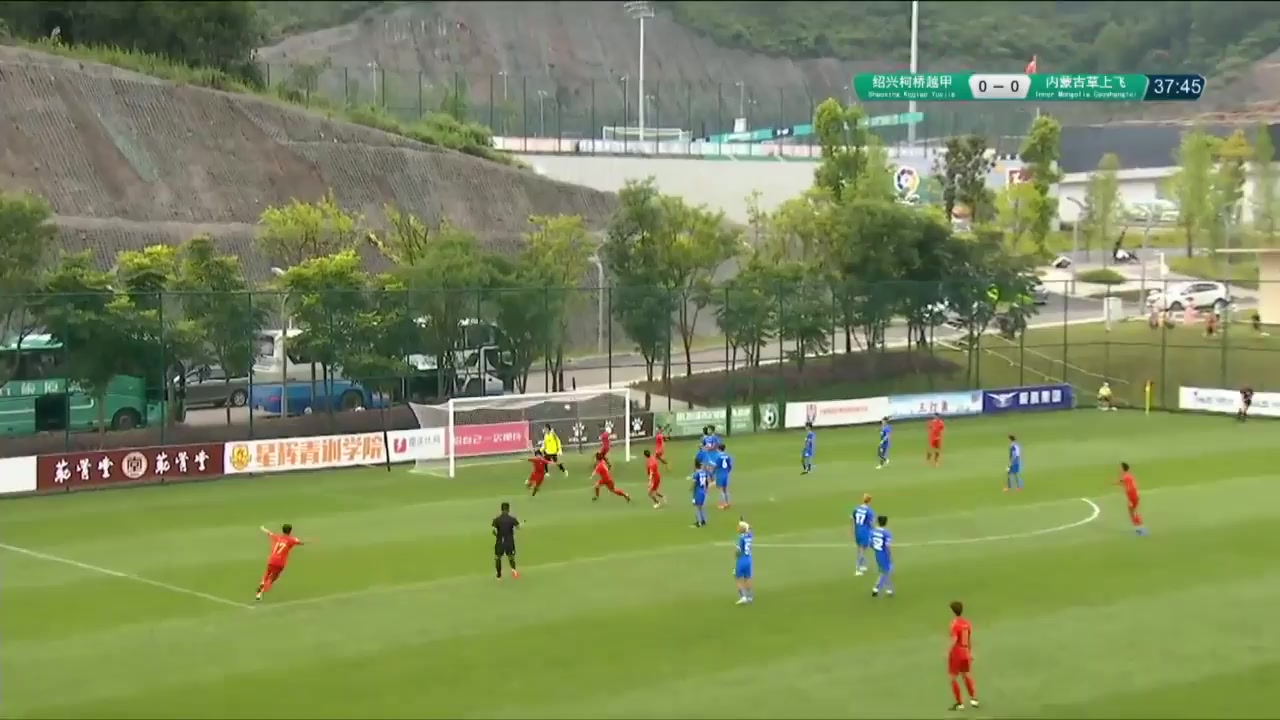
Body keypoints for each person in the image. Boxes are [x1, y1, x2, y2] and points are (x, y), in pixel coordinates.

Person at [256, 523, 305, 601]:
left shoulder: (277, 537)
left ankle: (259, 591)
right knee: (274, 577)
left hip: (272, 560)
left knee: (266, 574)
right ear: (290, 531)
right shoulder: (292, 540)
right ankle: (266, 586)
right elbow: (299, 542)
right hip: (280, 563)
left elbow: (269, 533)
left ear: (282, 530)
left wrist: (263, 528)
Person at [948, 601, 980, 710]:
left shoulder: (954, 624)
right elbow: (969, 639)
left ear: (952, 611)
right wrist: (970, 652)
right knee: (966, 675)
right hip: (965, 651)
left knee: (953, 678)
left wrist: (948, 651)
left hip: (957, 652)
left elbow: (954, 639)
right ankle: (974, 699)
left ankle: (959, 703)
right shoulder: (967, 623)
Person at [492, 501, 520, 579]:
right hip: (509, 541)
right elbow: (518, 527)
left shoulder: (496, 519)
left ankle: (498, 575)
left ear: (501, 509)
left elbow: (494, 531)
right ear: (508, 509)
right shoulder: (512, 519)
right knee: (511, 557)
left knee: (498, 557)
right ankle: (514, 572)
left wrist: (497, 535)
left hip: (500, 541)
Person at [1118, 462, 1146, 536]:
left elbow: (1131, 488)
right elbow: (1125, 484)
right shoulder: (1128, 476)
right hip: (1134, 496)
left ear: (1123, 468)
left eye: (1120, 467)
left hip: (1132, 497)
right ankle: (1140, 529)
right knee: (1133, 512)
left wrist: (1130, 500)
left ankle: (1140, 529)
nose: (1119, 469)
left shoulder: (1125, 477)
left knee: (1132, 512)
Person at [851, 493, 875, 576]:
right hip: (864, 531)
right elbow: (871, 523)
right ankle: (857, 569)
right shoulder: (869, 511)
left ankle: (861, 565)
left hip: (857, 530)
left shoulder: (856, 509)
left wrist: (854, 531)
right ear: (869, 501)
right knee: (862, 550)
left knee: (861, 548)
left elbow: (853, 520)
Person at [870, 515, 894, 597]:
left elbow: (871, 544)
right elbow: (887, 545)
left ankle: (889, 589)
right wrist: (889, 554)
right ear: (886, 523)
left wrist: (876, 549)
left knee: (884, 571)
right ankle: (876, 588)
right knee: (886, 571)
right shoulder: (887, 533)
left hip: (877, 553)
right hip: (884, 554)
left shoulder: (873, 532)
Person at [734, 520, 754, 605]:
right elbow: (750, 528)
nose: (737, 528)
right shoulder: (750, 535)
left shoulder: (740, 538)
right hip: (749, 559)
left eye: (739, 526)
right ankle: (749, 597)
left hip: (742, 560)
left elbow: (738, 551)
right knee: (748, 578)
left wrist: (736, 556)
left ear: (742, 529)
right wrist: (746, 524)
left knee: (738, 578)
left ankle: (743, 597)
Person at [714, 442, 733, 509]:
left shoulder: (718, 457)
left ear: (719, 449)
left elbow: (716, 466)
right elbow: (730, 466)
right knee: (725, 489)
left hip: (720, 474)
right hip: (725, 474)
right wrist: (727, 472)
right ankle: (727, 502)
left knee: (721, 490)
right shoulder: (727, 456)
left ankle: (724, 504)